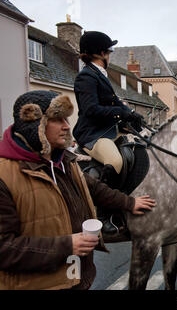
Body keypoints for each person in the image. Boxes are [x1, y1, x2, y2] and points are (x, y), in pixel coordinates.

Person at [0, 91, 156, 290]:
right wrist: (66, 246)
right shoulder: (4, 175)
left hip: (76, 279)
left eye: (66, 118)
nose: (67, 126)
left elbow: (95, 188)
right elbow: (4, 248)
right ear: (34, 124)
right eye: (57, 119)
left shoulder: (64, 160)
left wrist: (130, 203)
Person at [73, 31, 145, 234]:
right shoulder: (86, 76)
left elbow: (111, 104)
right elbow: (91, 110)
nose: (110, 55)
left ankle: (122, 198)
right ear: (101, 52)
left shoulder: (99, 74)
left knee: (137, 149)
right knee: (115, 161)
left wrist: (130, 115)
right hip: (92, 133)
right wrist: (121, 112)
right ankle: (102, 213)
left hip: (108, 130)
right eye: (109, 52)